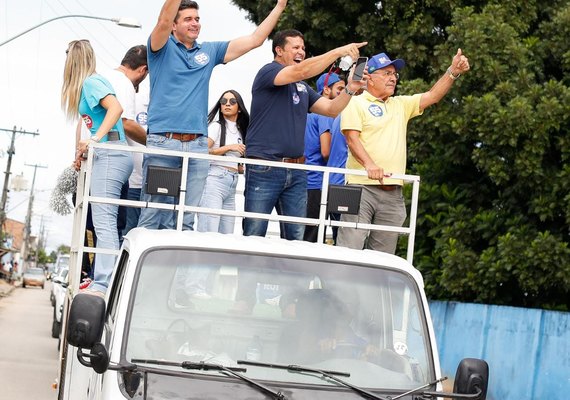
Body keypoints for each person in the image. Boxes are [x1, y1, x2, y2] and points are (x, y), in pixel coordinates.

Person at [138, 0, 288, 231]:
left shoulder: (209, 51)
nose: (195, 23)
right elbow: (163, 20)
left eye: (197, 19)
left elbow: (254, 40)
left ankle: (180, 268)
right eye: (188, 19)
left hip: (197, 146)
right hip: (164, 143)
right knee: (153, 213)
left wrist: (279, 6)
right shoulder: (160, 48)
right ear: (175, 26)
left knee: (187, 219)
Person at [337, 50, 470, 254]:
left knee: (383, 258)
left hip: (393, 193)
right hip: (359, 187)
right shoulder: (355, 102)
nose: (393, 78)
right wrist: (369, 165)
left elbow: (432, 96)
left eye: (394, 74)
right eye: (387, 73)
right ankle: (340, 286)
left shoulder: (400, 104)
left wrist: (453, 71)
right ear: (369, 77)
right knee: (349, 250)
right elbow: (351, 138)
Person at [243, 29, 368, 240]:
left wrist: (350, 88)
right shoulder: (268, 71)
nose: (301, 51)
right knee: (254, 233)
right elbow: (301, 71)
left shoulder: (301, 87)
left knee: (296, 238)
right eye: (296, 47)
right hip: (265, 166)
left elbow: (331, 109)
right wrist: (338, 52)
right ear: (279, 50)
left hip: (297, 170)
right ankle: (248, 274)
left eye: (303, 47)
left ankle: (290, 274)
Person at [62, 39, 133, 295]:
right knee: (104, 222)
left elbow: (116, 108)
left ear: (75, 58)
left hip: (111, 154)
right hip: (107, 154)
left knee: (104, 224)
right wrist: (83, 151)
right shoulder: (86, 86)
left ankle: (105, 282)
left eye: (67, 55)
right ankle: (102, 279)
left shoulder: (93, 82)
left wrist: (94, 139)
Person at [102, 45, 148, 239]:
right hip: (113, 162)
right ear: (143, 69)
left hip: (97, 160)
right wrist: (153, 142)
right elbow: (125, 123)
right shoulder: (125, 84)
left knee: (102, 222)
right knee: (115, 226)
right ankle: (107, 270)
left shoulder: (102, 77)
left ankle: (97, 269)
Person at [198, 90, 249, 234]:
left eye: (232, 102)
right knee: (209, 229)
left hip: (232, 182)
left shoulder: (241, 131)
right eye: (223, 101)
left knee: (227, 233)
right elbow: (201, 150)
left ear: (239, 107)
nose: (227, 104)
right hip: (215, 178)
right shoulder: (216, 127)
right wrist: (228, 148)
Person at [303, 71, 346, 242]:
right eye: (340, 89)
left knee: (310, 235)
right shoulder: (326, 114)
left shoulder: (309, 115)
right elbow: (326, 151)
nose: (344, 93)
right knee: (337, 235)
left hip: (310, 182)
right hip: (322, 182)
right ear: (326, 91)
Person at [325, 115, 347, 244]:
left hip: (335, 180)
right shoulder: (350, 113)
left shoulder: (339, 116)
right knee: (343, 236)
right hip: (343, 182)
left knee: (338, 234)